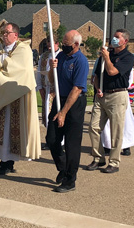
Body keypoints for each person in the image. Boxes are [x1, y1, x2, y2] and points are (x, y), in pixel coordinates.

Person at [0, 22, 41, 175]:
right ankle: (4, 159)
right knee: (1, 130)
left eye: (7, 32)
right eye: (3, 33)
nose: (4, 35)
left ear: (15, 35)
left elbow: (19, 70)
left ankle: (8, 162)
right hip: (0, 94)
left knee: (11, 130)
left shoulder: (23, 50)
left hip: (16, 97)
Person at [87, 29, 134, 174]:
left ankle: (114, 162)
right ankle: (98, 158)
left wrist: (107, 57)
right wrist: (97, 88)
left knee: (116, 130)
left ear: (125, 41)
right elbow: (96, 76)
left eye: (117, 37)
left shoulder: (127, 57)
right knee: (93, 127)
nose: (113, 39)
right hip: (102, 95)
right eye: (113, 36)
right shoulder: (105, 55)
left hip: (117, 96)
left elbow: (112, 72)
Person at [46, 30, 88, 193]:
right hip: (59, 99)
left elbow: (77, 89)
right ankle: (63, 168)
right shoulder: (61, 56)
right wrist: (52, 69)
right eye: (63, 42)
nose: (63, 45)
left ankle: (70, 179)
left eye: (67, 43)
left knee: (72, 143)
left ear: (76, 45)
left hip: (74, 103)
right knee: (51, 138)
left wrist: (63, 112)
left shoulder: (80, 61)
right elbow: (52, 80)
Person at [36, 38, 61, 130]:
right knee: (47, 116)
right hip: (45, 88)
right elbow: (39, 72)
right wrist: (39, 87)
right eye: (48, 45)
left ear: (57, 43)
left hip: (57, 90)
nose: (49, 47)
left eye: (51, 45)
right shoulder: (44, 56)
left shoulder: (61, 55)